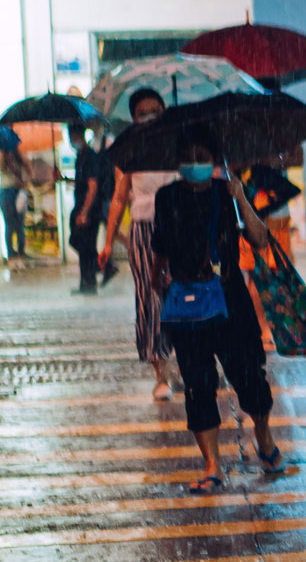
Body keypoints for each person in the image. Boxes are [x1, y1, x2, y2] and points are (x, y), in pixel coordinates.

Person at [150, 132, 288, 493]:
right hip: (186, 306)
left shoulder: (226, 195)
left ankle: (265, 440)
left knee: (249, 375)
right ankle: (212, 465)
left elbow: (259, 240)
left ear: (213, 159)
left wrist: (240, 196)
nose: (194, 161)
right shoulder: (166, 197)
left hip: (230, 300)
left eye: (202, 154)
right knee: (198, 385)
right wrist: (157, 282)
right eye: (188, 154)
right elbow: (159, 250)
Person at [100, 89, 178, 400]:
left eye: (155, 109)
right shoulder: (127, 149)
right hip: (144, 230)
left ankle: (188, 360)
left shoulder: (178, 141)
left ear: (164, 110)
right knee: (151, 299)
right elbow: (119, 197)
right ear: (133, 118)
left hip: (181, 226)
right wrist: (108, 241)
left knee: (184, 293)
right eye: (143, 111)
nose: (149, 115)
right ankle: (162, 373)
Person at [70, 124, 119, 295]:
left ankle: (97, 274)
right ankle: (89, 280)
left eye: (72, 135)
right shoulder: (81, 156)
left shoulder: (89, 157)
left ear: (78, 135)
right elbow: (83, 183)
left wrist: (85, 211)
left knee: (85, 244)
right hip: (83, 206)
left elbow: (92, 186)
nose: (71, 139)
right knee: (82, 245)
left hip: (90, 209)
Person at [0, 147, 29, 263]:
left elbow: (29, 172)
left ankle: (20, 256)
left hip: (19, 192)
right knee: (9, 225)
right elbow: (0, 166)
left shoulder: (21, 157)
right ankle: (11, 257)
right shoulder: (0, 156)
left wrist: (21, 159)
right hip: (6, 191)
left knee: (20, 226)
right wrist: (5, 155)